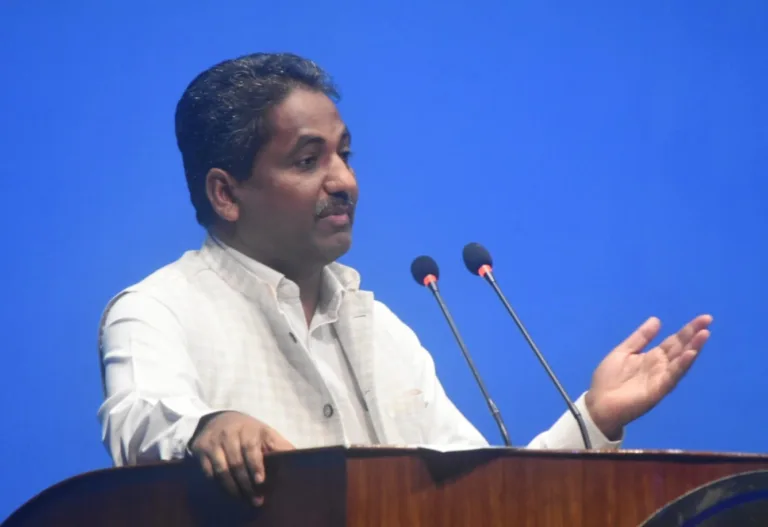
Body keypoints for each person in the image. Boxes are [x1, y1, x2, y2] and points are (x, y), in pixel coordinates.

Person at [97, 52, 713, 507]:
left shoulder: (380, 329)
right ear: (226, 194)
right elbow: (138, 419)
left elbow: (486, 491)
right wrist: (208, 427)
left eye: (344, 154)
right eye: (308, 160)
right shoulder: (158, 308)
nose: (344, 181)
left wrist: (593, 420)